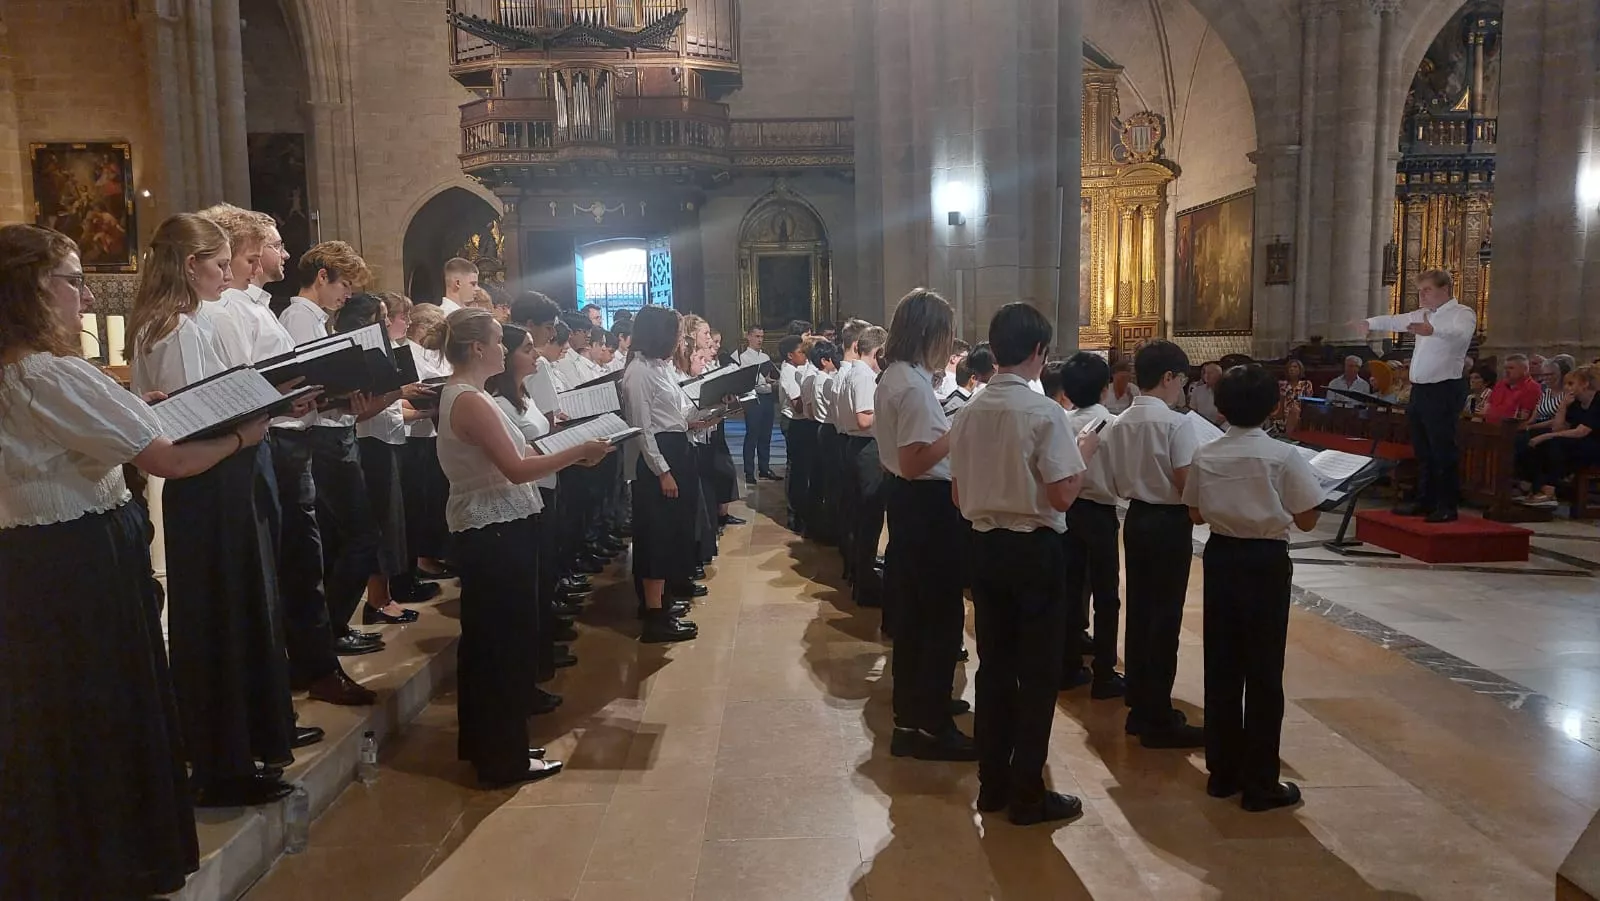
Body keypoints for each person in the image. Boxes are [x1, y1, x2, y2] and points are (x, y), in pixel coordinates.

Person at [0, 224, 288, 897]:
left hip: (30, 560)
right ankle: (121, 853)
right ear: (35, 289)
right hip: (81, 559)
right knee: (109, 702)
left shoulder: (17, 371)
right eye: (72, 280)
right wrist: (246, 433)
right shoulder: (48, 372)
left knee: (54, 716)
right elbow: (171, 459)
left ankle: (70, 853)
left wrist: (136, 407)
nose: (82, 294)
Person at [129, 213, 299, 806]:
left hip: (224, 477)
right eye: (221, 265)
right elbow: (192, 420)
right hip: (210, 485)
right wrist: (246, 428)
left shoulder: (186, 321)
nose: (230, 275)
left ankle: (238, 749)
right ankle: (222, 763)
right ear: (188, 264)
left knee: (240, 609)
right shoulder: (174, 328)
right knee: (221, 616)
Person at [197, 205, 374, 709]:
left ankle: (310, 664)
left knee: (304, 558)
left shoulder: (256, 306)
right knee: (297, 562)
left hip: (287, 434)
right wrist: (282, 399)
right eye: (274, 243)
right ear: (246, 251)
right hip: (274, 440)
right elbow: (236, 383)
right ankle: (310, 669)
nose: (283, 252)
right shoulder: (228, 310)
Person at [431, 308, 610, 785]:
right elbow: (515, 468)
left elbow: (526, 454)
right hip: (494, 533)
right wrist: (578, 451)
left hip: (500, 527)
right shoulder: (468, 399)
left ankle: (493, 744)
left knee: (495, 643)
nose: (504, 349)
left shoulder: (474, 396)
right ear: (477, 349)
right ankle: (502, 757)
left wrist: (573, 451)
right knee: (502, 645)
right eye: (498, 341)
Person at [949, 302, 1099, 825]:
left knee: (994, 667)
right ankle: (1029, 793)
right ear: (1039, 351)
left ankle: (991, 785)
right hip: (1034, 551)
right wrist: (1082, 455)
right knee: (1036, 677)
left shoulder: (967, 410)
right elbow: (1060, 497)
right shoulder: (1044, 413)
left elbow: (957, 494)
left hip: (983, 548)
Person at [1185, 364, 1323, 812]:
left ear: (1221, 406)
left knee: (1221, 665)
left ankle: (1222, 773)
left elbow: (1195, 515)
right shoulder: (1282, 457)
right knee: (1263, 671)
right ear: (1273, 406)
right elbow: (1307, 518)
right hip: (1264, 562)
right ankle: (1261, 781)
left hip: (1222, 557)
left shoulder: (1207, 454)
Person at [280, 242, 399, 648]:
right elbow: (303, 383)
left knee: (344, 537)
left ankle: (333, 627)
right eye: (344, 284)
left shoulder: (317, 318)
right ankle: (328, 628)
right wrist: (337, 395)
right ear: (322, 276)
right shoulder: (299, 317)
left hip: (335, 432)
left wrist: (352, 397)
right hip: (323, 439)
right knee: (360, 536)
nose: (347, 295)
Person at [876, 290, 973, 761]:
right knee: (937, 615)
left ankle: (919, 708)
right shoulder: (911, 386)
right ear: (929, 334)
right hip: (925, 504)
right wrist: (958, 431)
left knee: (921, 614)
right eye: (946, 332)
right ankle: (927, 724)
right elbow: (915, 461)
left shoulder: (902, 376)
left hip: (914, 503)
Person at [1104, 339, 1204, 749]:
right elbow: (1187, 484)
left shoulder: (1119, 423)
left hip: (1136, 520)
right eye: (1181, 380)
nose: (1181, 389)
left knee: (1141, 613)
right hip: (1168, 523)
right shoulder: (1176, 424)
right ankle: (1157, 716)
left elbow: (1112, 480)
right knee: (1165, 619)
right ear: (1168, 378)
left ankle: (1139, 705)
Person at [333, 293, 434, 623]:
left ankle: (383, 596)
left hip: (388, 439)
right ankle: (377, 600)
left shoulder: (381, 350)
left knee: (392, 524)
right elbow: (359, 412)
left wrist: (410, 404)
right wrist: (399, 391)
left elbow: (389, 408)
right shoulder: (358, 354)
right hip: (369, 442)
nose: (389, 323)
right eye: (382, 317)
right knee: (378, 525)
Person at [1357, 269, 1476, 522]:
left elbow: (1461, 336)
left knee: (1442, 448)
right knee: (1422, 448)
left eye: (1427, 290)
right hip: (1420, 390)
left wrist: (1432, 331)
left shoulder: (1462, 314)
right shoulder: (1423, 314)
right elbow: (1395, 320)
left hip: (1444, 389)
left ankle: (1447, 505)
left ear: (1444, 289)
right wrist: (1370, 323)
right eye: (1420, 290)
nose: (1421, 295)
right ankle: (1425, 500)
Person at [622, 305, 704, 642]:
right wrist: (663, 472)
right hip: (660, 459)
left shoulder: (660, 368)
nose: (679, 341)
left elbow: (677, 412)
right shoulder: (639, 372)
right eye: (675, 334)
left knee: (671, 533)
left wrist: (702, 415)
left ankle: (664, 601)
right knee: (655, 536)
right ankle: (654, 615)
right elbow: (642, 429)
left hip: (676, 449)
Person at [1046, 354, 1125, 698]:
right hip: (1101, 512)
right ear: (1105, 389)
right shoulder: (1113, 423)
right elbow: (1122, 476)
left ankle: (1067, 664)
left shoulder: (1061, 420)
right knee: (1106, 595)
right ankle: (1105, 672)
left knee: (1070, 588)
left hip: (1068, 510)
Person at [838, 324, 888, 610]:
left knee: (861, 516)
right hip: (864, 447)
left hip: (856, 446)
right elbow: (863, 419)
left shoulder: (853, 372)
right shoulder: (864, 376)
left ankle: (860, 574)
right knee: (868, 518)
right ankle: (866, 585)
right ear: (878, 351)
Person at [1517, 366, 1600, 508]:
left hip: (1595, 446)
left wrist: (1547, 436)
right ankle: (1535, 488)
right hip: (1579, 444)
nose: (1567, 388)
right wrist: (1562, 406)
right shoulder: (1575, 402)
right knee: (1536, 443)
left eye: (1571, 384)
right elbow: (1558, 427)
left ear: (1585, 383)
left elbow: (1581, 432)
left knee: (1556, 444)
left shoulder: (1598, 400)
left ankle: (1549, 492)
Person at [803, 339, 841, 541]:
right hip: (827, 429)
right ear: (825, 361)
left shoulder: (820, 377)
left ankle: (820, 526)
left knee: (823, 480)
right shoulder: (825, 380)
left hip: (822, 429)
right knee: (828, 482)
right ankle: (827, 529)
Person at [734, 324, 777, 483]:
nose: (760, 340)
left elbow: (770, 376)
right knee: (752, 434)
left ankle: (764, 469)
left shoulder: (765, 357)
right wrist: (761, 379)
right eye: (757, 336)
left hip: (767, 396)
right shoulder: (744, 358)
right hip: (753, 397)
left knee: (766, 434)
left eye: (762, 337)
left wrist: (770, 380)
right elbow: (746, 380)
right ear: (749, 337)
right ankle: (749, 472)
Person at [778, 333, 812, 529]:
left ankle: (802, 510)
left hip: (801, 423)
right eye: (801, 352)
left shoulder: (799, 368)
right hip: (793, 423)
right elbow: (798, 405)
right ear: (790, 355)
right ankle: (794, 514)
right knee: (796, 469)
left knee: (803, 468)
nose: (805, 355)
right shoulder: (788, 373)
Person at [1483, 354, 1541, 423]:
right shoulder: (1500, 384)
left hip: (1509, 430)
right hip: (1487, 427)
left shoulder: (1532, 388)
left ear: (1525, 369)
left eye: (1511, 368)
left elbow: (1522, 419)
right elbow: (1487, 406)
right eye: (1505, 368)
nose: (1506, 371)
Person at [1270, 358, 1313, 433]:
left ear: (1300, 369)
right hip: (1284, 414)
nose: (1292, 369)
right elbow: (1280, 405)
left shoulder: (1306, 384)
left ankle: (1288, 435)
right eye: (1290, 367)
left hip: (1301, 414)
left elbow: (1309, 403)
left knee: (1295, 410)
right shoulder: (1282, 385)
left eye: (1295, 367)